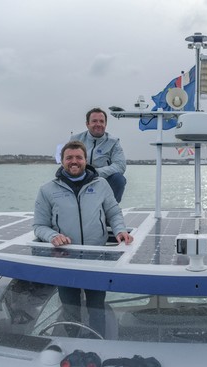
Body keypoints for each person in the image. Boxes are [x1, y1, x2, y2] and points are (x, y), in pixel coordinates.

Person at [34, 140, 133, 338]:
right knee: (70, 307)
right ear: (61, 161)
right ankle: (72, 340)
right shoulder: (47, 190)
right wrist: (53, 236)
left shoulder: (101, 184)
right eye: (69, 157)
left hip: (96, 258)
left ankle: (97, 341)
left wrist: (120, 230)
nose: (74, 161)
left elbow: (113, 212)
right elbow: (39, 226)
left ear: (85, 160)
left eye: (78, 157)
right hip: (65, 259)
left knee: (96, 305)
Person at [70, 107, 127, 203]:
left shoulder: (113, 142)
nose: (98, 124)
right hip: (80, 177)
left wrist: (96, 173)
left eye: (101, 121)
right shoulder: (75, 139)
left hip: (103, 179)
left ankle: (111, 209)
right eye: (94, 121)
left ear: (105, 124)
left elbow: (120, 166)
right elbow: (68, 161)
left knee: (119, 179)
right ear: (87, 124)